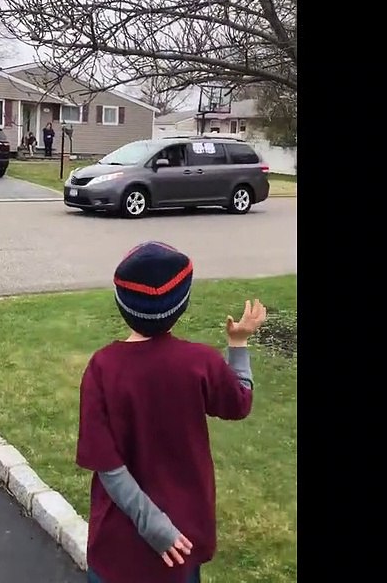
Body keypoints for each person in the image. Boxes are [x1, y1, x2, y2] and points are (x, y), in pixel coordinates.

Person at [77, 241, 266, 583]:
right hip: (181, 542)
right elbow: (240, 402)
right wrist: (238, 344)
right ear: (181, 306)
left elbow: (108, 467)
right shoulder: (199, 362)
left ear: (121, 304)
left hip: (117, 544)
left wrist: (150, 524)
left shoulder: (102, 368)